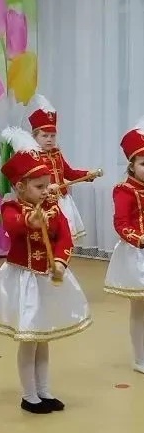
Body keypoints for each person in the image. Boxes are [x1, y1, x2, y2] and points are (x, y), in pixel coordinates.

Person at [0, 127, 92, 414]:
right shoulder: (11, 207)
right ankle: (29, 396)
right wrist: (30, 220)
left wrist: (61, 261)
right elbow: (13, 225)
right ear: (20, 187)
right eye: (39, 187)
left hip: (47, 279)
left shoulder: (52, 206)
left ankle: (44, 390)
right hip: (24, 281)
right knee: (30, 340)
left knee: (44, 339)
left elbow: (64, 236)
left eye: (47, 186)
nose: (46, 191)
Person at [28, 94, 98, 241]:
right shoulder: (31, 156)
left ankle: (65, 257)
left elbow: (69, 173)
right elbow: (29, 183)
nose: (49, 139)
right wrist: (46, 188)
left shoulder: (57, 154)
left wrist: (87, 174)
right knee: (49, 238)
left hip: (63, 201)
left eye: (52, 136)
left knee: (66, 239)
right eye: (45, 136)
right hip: (43, 203)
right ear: (35, 136)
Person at [105, 118, 144, 374]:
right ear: (131, 165)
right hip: (137, 255)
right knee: (140, 308)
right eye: (143, 163)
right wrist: (139, 239)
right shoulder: (124, 190)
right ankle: (140, 357)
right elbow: (120, 223)